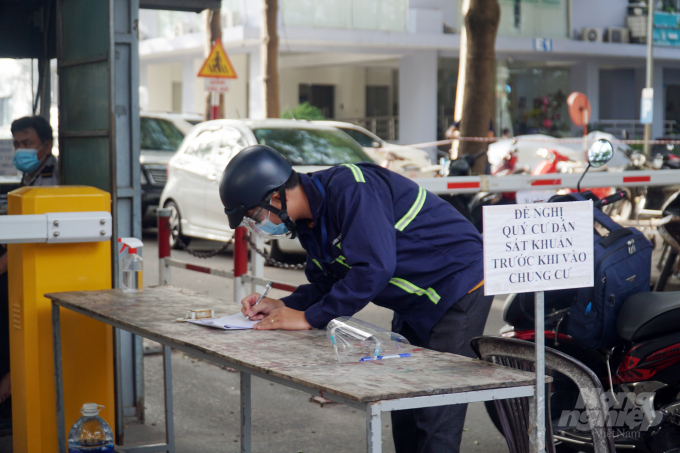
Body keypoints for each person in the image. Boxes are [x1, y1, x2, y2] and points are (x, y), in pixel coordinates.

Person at [219, 145, 493, 453]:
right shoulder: (309, 222)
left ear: (277, 197)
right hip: (414, 301)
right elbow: (328, 283)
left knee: (436, 413)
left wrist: (309, 318)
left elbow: (374, 268)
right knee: (404, 403)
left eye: (254, 216)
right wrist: (286, 304)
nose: (256, 226)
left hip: (459, 285)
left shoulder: (352, 190)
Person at [0, 116, 58, 414]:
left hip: (44, 271)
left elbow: (35, 239)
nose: (20, 150)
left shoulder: (51, 181)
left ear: (46, 146)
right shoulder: (32, 176)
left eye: (27, 144)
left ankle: (10, 378)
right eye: (17, 144)